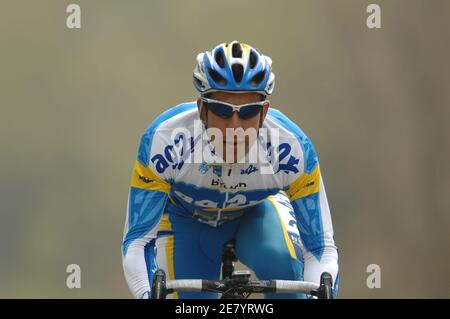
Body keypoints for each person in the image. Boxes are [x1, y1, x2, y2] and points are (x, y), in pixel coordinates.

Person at [122, 41, 340, 299]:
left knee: (283, 267)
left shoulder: (291, 147)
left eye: (248, 112)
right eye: (222, 110)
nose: (235, 126)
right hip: (186, 223)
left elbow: (320, 247)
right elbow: (137, 240)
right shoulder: (166, 140)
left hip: (257, 215)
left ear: (264, 112)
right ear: (202, 109)